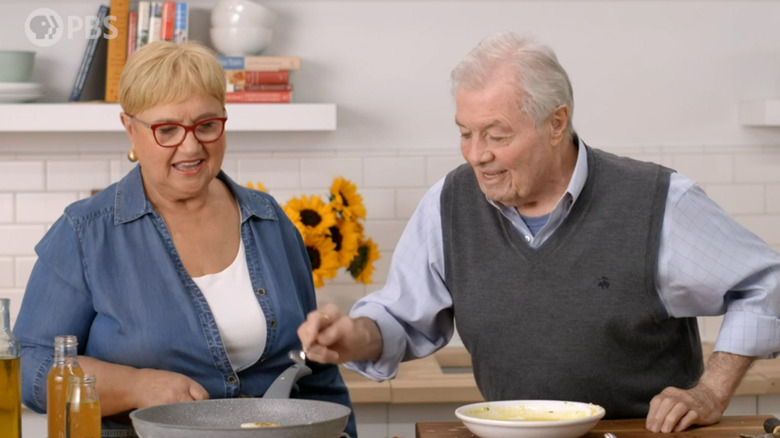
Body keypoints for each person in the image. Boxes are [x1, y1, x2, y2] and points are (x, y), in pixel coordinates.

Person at [298, 31, 780, 434]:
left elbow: (767, 284)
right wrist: (353, 337)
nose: (475, 154)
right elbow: (401, 319)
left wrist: (711, 391)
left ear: (556, 123)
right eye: (465, 131)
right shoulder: (450, 202)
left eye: (497, 134)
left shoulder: (657, 201)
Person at [13, 40, 356, 437]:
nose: (191, 146)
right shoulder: (85, 233)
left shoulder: (268, 221)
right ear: (130, 130)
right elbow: (30, 368)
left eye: (207, 125)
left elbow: (315, 372)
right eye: (168, 130)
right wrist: (136, 386)